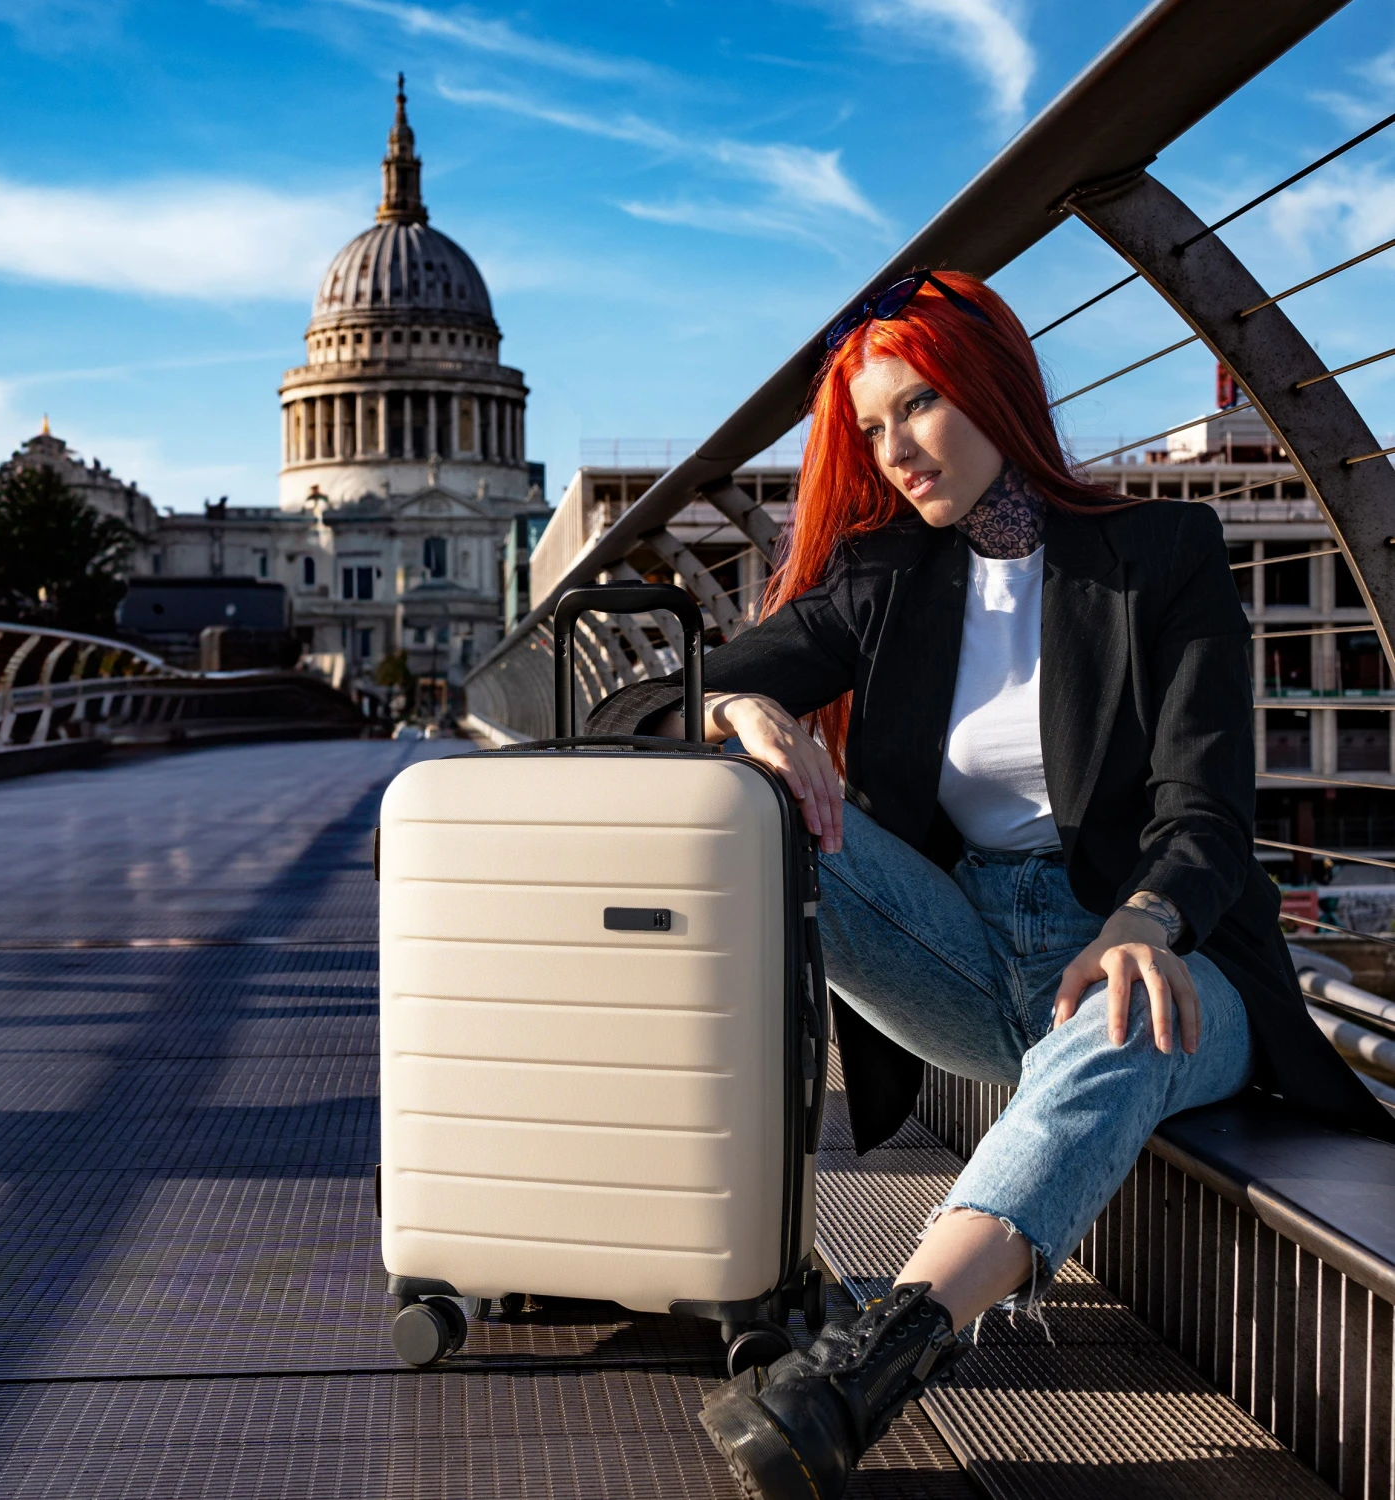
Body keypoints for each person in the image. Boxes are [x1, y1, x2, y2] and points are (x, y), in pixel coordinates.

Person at [588, 269, 1395, 1500]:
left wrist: (1142, 920)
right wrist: (734, 709)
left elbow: (1208, 811)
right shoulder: (885, 579)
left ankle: (875, 1362)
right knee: (753, 803)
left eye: (918, 405)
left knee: (1124, 1012)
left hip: (1175, 958)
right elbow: (625, 712)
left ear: (994, 387)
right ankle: (676, 1222)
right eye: (872, 428)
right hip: (966, 954)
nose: (896, 450)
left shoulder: (1159, 555)